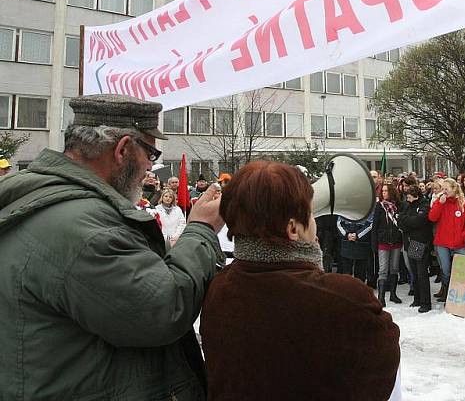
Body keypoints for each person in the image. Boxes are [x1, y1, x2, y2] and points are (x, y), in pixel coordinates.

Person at [0, 94, 225, 399]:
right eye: (151, 153)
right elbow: (164, 308)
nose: (149, 167)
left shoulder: (45, 200)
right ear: (122, 150)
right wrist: (201, 229)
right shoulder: (85, 229)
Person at [200, 161, 400, 400]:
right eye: (311, 214)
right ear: (293, 229)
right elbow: (379, 381)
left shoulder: (217, 288)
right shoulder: (347, 298)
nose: (314, 221)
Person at [429, 178, 465, 302]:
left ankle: (462, 293)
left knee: (464, 269)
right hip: (442, 242)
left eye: (446, 189)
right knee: (445, 269)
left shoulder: (463, 202)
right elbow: (432, 217)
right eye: (443, 189)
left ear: (454, 189)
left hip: (459, 242)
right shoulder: (440, 201)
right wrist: (439, 204)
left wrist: (464, 236)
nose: (444, 191)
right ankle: (446, 291)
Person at [398, 185, 434, 313]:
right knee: (414, 272)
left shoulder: (424, 205)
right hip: (409, 242)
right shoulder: (407, 205)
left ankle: (425, 302)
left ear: (416, 196)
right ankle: (417, 299)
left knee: (421, 273)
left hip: (419, 243)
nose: (407, 199)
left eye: (409, 196)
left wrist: (407, 221)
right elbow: (400, 221)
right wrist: (408, 222)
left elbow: (419, 221)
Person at [374, 183, 404, 307]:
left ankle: (393, 294)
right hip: (383, 242)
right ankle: (381, 297)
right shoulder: (379, 206)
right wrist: (374, 243)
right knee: (383, 269)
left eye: (386, 191)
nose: (384, 193)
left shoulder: (399, 206)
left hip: (396, 242)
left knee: (394, 268)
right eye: (383, 191)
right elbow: (375, 226)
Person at [337, 211, 374, 283]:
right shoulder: (345, 208)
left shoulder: (367, 208)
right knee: (346, 274)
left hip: (362, 244)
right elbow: (339, 223)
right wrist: (346, 235)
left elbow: (370, 225)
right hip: (347, 243)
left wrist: (358, 235)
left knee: (360, 274)